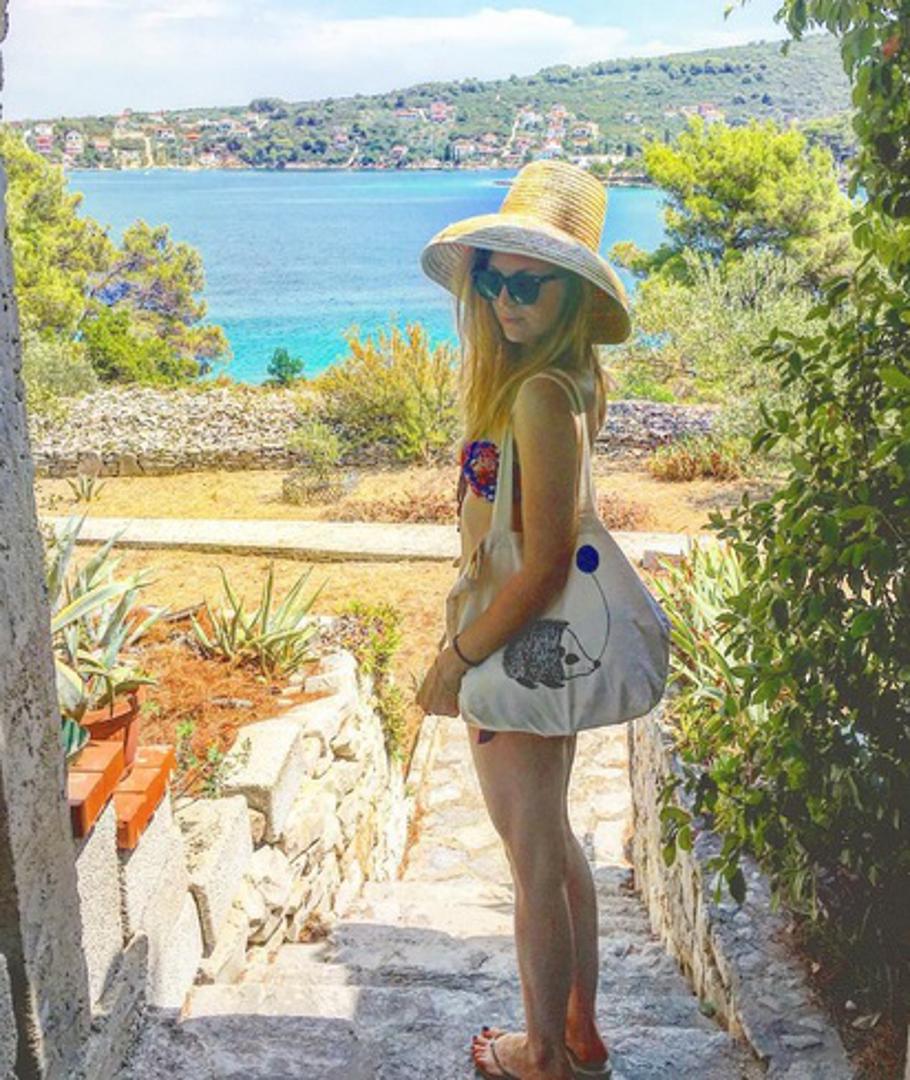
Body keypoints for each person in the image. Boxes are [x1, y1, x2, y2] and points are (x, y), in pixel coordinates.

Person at [415, 159, 632, 1080]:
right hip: (533, 645)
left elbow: (542, 563)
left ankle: (542, 1055)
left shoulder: (541, 395)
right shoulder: (565, 378)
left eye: (527, 284)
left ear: (571, 292)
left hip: (510, 643)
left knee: (532, 858)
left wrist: (456, 658)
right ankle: (578, 1033)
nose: (504, 300)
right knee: (553, 838)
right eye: (492, 280)